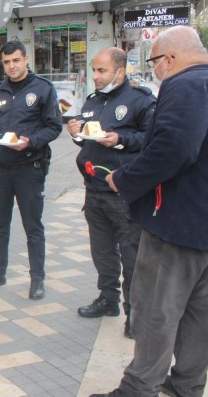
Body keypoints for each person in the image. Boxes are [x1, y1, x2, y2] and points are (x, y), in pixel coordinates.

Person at [91, 26, 208, 397]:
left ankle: (138, 389)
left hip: (176, 224)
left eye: (153, 61)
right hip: (202, 227)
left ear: (169, 59)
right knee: (199, 315)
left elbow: (172, 148)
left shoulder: (185, 85)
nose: (154, 69)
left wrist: (124, 180)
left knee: (156, 310)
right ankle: (186, 386)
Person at [66, 47, 155, 339]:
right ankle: (108, 300)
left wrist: (120, 140)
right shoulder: (93, 101)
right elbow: (90, 143)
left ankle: (135, 316)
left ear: (121, 70)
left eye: (102, 70)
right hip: (94, 191)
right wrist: (77, 133)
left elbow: (150, 139)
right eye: (93, 70)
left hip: (124, 194)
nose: (96, 76)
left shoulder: (140, 101)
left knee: (132, 257)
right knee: (102, 252)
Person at [0, 40, 62, 300]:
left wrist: (31, 141)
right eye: (6, 62)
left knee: (32, 227)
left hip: (29, 168)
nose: (11, 66)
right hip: (0, 169)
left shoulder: (43, 89)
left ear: (26, 59)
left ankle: (37, 279)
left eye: (16, 60)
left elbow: (54, 126)